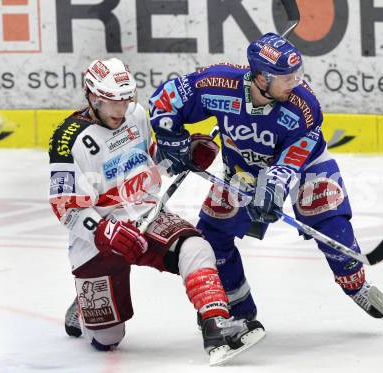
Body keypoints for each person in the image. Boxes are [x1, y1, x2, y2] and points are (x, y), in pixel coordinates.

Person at [148, 32, 383, 328]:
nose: (295, 82)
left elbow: (292, 159)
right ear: (261, 78)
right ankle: (239, 306)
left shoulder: (304, 107)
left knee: (329, 220)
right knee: (213, 236)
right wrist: (173, 139)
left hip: (306, 164)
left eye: (295, 75)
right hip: (243, 172)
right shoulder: (218, 84)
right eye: (286, 77)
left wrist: (273, 187)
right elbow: (165, 98)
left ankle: (356, 285)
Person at [48, 57, 264, 364]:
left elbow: (153, 159)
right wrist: (101, 231)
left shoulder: (135, 115)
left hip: (146, 214)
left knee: (196, 246)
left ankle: (215, 324)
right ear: (93, 98)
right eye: (112, 104)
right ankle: (84, 306)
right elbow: (64, 206)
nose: (121, 110)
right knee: (108, 339)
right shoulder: (67, 139)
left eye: (125, 101)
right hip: (99, 232)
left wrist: (185, 155)